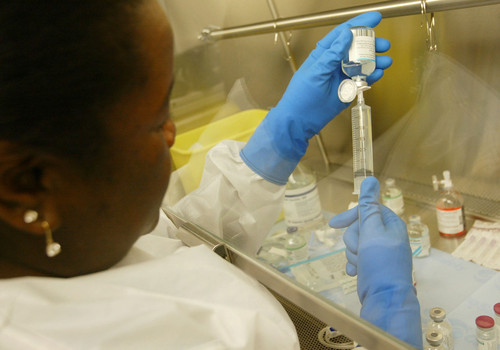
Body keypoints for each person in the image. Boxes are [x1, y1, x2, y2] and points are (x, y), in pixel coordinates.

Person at [0, 1, 421, 348]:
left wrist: (277, 141)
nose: (173, 133)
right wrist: (389, 316)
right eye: (157, 119)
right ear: (28, 188)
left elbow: (173, 244)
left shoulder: (66, 240)